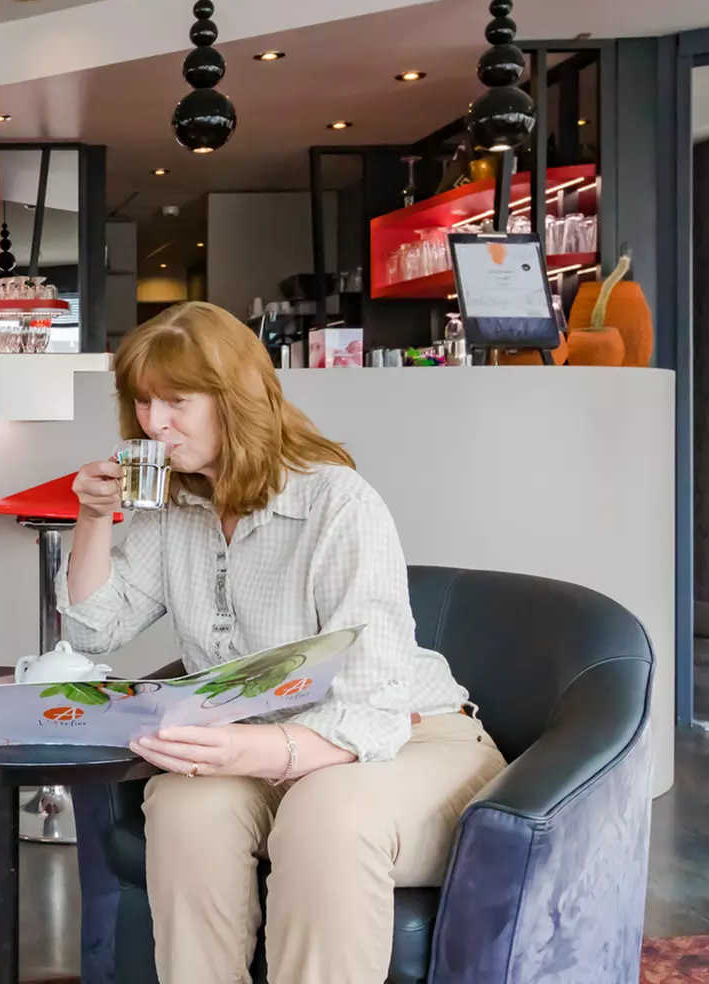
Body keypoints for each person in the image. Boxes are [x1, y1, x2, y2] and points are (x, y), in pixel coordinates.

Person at [60, 302, 504, 984]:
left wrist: (251, 748)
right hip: (263, 742)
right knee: (183, 808)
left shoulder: (338, 503)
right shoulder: (176, 505)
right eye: (142, 403)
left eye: (176, 401)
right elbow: (95, 629)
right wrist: (91, 521)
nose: (153, 424)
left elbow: (374, 705)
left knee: (323, 816)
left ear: (233, 398)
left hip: (406, 738)